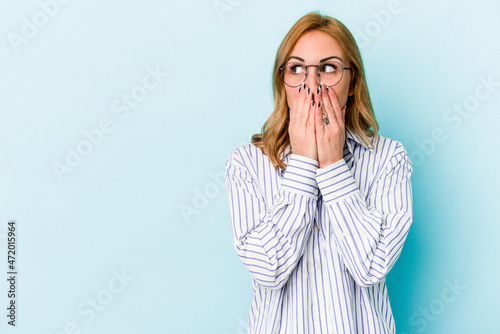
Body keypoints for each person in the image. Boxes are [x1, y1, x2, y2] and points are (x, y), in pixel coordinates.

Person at [224, 11, 413, 333]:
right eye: (297, 69)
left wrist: (332, 164)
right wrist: (302, 162)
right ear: (282, 83)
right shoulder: (246, 163)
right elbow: (269, 270)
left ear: (353, 83)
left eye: (328, 68)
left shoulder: (388, 159)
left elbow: (370, 267)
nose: (312, 86)